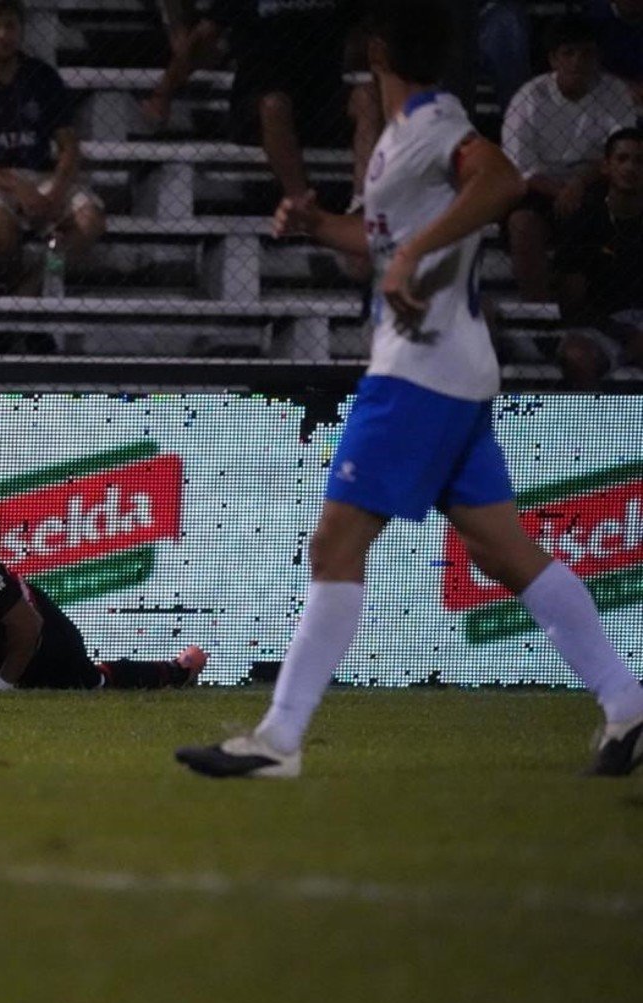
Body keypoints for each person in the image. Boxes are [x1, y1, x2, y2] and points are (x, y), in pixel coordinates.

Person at [176, 0, 643, 780]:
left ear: (376, 48)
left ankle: (279, 740)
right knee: (502, 550)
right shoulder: (403, 139)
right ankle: (626, 702)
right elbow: (380, 239)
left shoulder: (432, 125)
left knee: (334, 544)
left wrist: (411, 256)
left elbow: (498, 180)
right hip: (451, 367)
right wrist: (319, 223)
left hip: (417, 370)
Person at [0, 475, 208, 691]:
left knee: (94, 685)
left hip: (43, 641)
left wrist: (2, 690)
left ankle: (177, 671)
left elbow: (27, 627)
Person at [0, 0, 105, 351]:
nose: (4, 35)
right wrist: (18, 189)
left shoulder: (42, 77)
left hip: (40, 174)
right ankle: (25, 311)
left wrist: (55, 190)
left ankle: (26, 292)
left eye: (11, 26)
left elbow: (69, 145)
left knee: (89, 220)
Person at [140, 0, 382, 210]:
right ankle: (304, 207)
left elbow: (367, 33)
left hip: (320, 100)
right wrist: (163, 93)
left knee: (367, 96)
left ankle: (362, 204)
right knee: (275, 105)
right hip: (258, 102)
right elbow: (203, 38)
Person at [500, 16, 637, 301]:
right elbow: (520, 167)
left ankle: (604, 304)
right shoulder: (528, 99)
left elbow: (623, 149)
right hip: (541, 186)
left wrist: (578, 184)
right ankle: (538, 311)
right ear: (553, 59)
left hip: (596, 180)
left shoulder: (615, 93)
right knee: (522, 222)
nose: (578, 62)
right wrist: (563, 191)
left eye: (586, 53)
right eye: (568, 53)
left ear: (597, 57)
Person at [553, 127, 643, 388]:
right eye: (622, 159)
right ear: (606, 166)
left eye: (640, 161)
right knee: (576, 356)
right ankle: (587, 427)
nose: (631, 168)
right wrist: (626, 334)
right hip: (602, 326)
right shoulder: (585, 221)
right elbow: (572, 305)